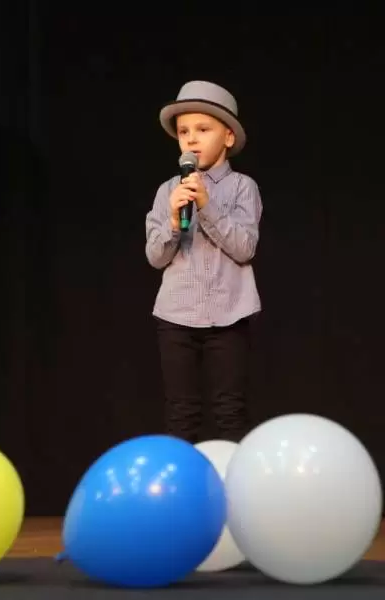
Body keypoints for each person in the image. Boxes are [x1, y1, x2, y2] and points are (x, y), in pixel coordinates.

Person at [145, 80, 262, 443]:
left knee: (230, 411)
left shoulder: (243, 187)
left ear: (228, 136)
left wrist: (207, 206)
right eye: (184, 132)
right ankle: (186, 481)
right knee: (181, 413)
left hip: (229, 314)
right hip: (176, 316)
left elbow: (245, 248)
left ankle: (235, 479)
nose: (191, 140)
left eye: (203, 129)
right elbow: (155, 257)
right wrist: (173, 218)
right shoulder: (168, 190)